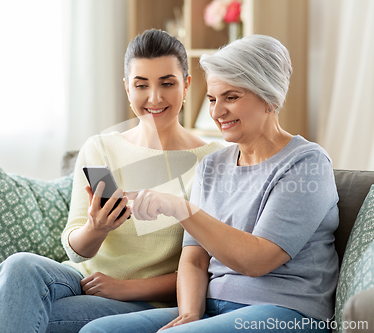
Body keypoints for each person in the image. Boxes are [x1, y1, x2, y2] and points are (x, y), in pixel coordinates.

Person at [0, 29, 224, 333]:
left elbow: (207, 267)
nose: (154, 97)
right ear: (128, 89)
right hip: (78, 278)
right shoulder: (100, 148)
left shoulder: (213, 161)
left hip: (142, 301)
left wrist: (126, 288)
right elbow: (77, 249)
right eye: (142, 85)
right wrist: (96, 228)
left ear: (186, 85)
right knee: (19, 265)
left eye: (167, 83)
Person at [79, 35, 340, 333]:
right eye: (213, 99)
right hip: (214, 308)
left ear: (269, 97)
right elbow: (194, 259)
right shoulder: (212, 166)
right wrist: (190, 313)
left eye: (231, 97)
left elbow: (256, 260)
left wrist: (181, 208)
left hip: (284, 311)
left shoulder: (307, 164)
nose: (216, 113)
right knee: (97, 331)